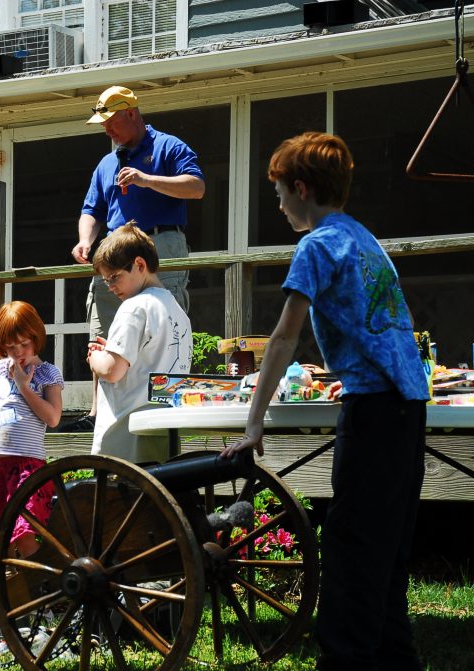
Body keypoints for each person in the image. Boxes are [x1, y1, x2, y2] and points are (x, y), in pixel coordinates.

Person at [222, 132, 428, 671]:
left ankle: (345, 661)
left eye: (279, 194)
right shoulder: (365, 239)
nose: (279, 205)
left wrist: (254, 423)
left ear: (301, 188)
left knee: (351, 550)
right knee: (387, 552)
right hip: (407, 406)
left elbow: (283, 338)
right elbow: (383, 321)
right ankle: (396, 661)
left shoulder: (316, 245)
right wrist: (351, 370)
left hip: (374, 412)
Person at [63, 85, 205, 432]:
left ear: (131, 113)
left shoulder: (168, 146)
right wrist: (85, 241)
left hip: (161, 242)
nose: (107, 130)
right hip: (113, 249)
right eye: (102, 124)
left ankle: (167, 404)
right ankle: (98, 414)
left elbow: (196, 187)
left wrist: (146, 179)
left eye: (111, 122)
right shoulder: (106, 163)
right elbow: (91, 210)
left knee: (163, 323)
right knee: (104, 325)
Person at [0, 301, 64, 559]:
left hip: (26, 466)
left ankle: (40, 581)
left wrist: (24, 386)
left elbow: (53, 418)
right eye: (10, 347)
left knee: (24, 534)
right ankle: (5, 582)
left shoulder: (47, 373)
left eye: (24, 344)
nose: (18, 352)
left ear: (36, 338)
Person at [87, 223, 192, 463]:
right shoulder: (178, 312)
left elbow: (112, 370)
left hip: (126, 435)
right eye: (106, 281)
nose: (110, 287)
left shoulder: (134, 307)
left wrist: (96, 357)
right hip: (164, 431)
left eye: (114, 277)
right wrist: (112, 350)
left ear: (140, 265)